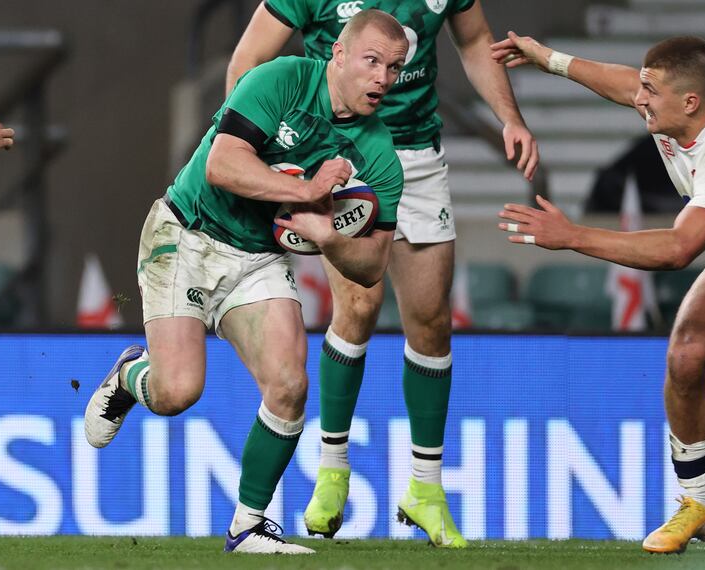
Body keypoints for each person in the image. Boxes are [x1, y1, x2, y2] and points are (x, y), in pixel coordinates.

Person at [84, 10, 408, 555]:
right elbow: (221, 165)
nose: (382, 77)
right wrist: (307, 191)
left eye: (394, 68)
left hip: (257, 258)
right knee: (176, 392)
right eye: (372, 61)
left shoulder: (378, 154)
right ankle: (129, 375)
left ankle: (248, 526)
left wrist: (329, 238)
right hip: (186, 233)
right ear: (338, 54)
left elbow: (373, 264)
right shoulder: (281, 79)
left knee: (290, 385)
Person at [226, 1, 538, 548]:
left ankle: (426, 489)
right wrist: (260, 156)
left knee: (432, 321)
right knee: (359, 306)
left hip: (417, 158)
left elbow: (473, 40)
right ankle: (333, 469)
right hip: (340, 154)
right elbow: (247, 61)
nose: (384, 74)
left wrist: (509, 117)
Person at [491, 33, 705, 554]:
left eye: (651, 91)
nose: (639, 98)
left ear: (690, 102)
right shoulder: (675, 111)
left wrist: (574, 236)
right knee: (687, 355)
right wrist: (550, 60)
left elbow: (677, 249)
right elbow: (624, 83)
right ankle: (697, 503)